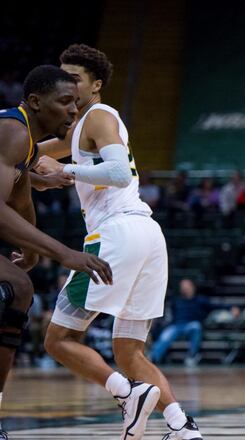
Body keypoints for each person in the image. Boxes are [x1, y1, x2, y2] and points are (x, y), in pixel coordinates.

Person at [34, 45, 202, 440]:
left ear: (96, 85)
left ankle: (127, 393)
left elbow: (117, 173)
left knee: (59, 339)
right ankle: (181, 426)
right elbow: (29, 153)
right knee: (129, 351)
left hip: (116, 235)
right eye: (63, 77)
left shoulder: (100, 115)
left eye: (74, 78)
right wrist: (40, 169)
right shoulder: (78, 129)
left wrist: (66, 171)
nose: (67, 84)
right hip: (146, 236)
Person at [0, 65, 114, 439]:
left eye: (75, 103)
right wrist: (63, 253)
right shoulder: (12, 131)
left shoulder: (27, 142)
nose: (72, 110)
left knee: (18, 288)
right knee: (13, 288)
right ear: (35, 101)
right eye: (64, 101)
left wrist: (29, 246)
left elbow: (19, 198)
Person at [150, 279, 211, 367]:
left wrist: (231, 308)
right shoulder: (177, 301)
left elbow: (215, 306)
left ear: (192, 287)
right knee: (166, 334)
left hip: (191, 325)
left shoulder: (201, 300)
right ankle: (153, 358)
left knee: (196, 326)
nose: (184, 288)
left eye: (186, 286)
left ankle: (192, 356)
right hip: (177, 326)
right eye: (182, 287)